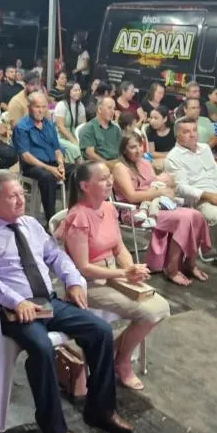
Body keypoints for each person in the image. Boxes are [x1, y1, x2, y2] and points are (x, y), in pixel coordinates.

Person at [0, 170, 134, 433]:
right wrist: (16, 300)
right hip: (15, 310)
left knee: (100, 330)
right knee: (42, 347)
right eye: (12, 196)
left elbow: (56, 256)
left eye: (21, 193)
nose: (21, 200)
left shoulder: (31, 225)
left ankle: (101, 409)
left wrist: (73, 281)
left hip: (48, 301)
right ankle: (54, 429)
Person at [55, 161, 171, 388]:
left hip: (113, 275)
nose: (110, 182)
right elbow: (83, 267)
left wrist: (132, 269)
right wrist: (123, 273)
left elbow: (119, 247)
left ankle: (114, 353)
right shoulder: (79, 217)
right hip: (89, 283)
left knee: (162, 307)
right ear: (85, 186)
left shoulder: (108, 208)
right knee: (149, 313)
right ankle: (122, 361)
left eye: (110, 177)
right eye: (103, 179)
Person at [112, 133, 212, 285]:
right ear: (124, 150)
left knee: (196, 215)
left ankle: (190, 263)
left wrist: (166, 189)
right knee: (183, 218)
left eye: (140, 146)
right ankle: (172, 269)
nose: (138, 150)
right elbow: (132, 197)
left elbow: (157, 185)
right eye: (132, 147)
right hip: (136, 210)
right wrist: (160, 192)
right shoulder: (120, 168)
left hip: (156, 204)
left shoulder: (145, 163)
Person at [164, 117, 217, 250]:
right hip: (198, 200)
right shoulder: (173, 157)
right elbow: (180, 187)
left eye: (194, 130)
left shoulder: (205, 148)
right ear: (177, 136)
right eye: (186, 132)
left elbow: (215, 169)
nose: (192, 134)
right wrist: (207, 195)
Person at [14, 92, 70, 222]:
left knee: (79, 171)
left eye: (43, 107)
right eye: (37, 107)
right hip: (33, 166)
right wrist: (49, 168)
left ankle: (74, 216)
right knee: (48, 177)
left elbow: (57, 148)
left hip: (52, 163)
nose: (41, 110)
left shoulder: (48, 124)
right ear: (29, 107)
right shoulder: (21, 127)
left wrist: (60, 163)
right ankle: (52, 221)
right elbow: (25, 156)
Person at [79, 96, 122, 162]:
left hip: (117, 162)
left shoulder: (116, 128)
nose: (113, 111)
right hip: (99, 164)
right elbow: (89, 154)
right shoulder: (89, 128)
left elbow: (122, 149)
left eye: (114, 108)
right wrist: (108, 164)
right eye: (109, 108)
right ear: (99, 109)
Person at [54, 82, 86, 162]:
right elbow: (60, 127)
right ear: (69, 91)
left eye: (79, 90)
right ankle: (74, 167)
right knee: (75, 148)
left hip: (74, 134)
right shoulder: (61, 105)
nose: (78, 92)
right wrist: (73, 140)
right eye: (75, 90)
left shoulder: (80, 105)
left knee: (85, 147)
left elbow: (83, 125)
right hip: (60, 136)